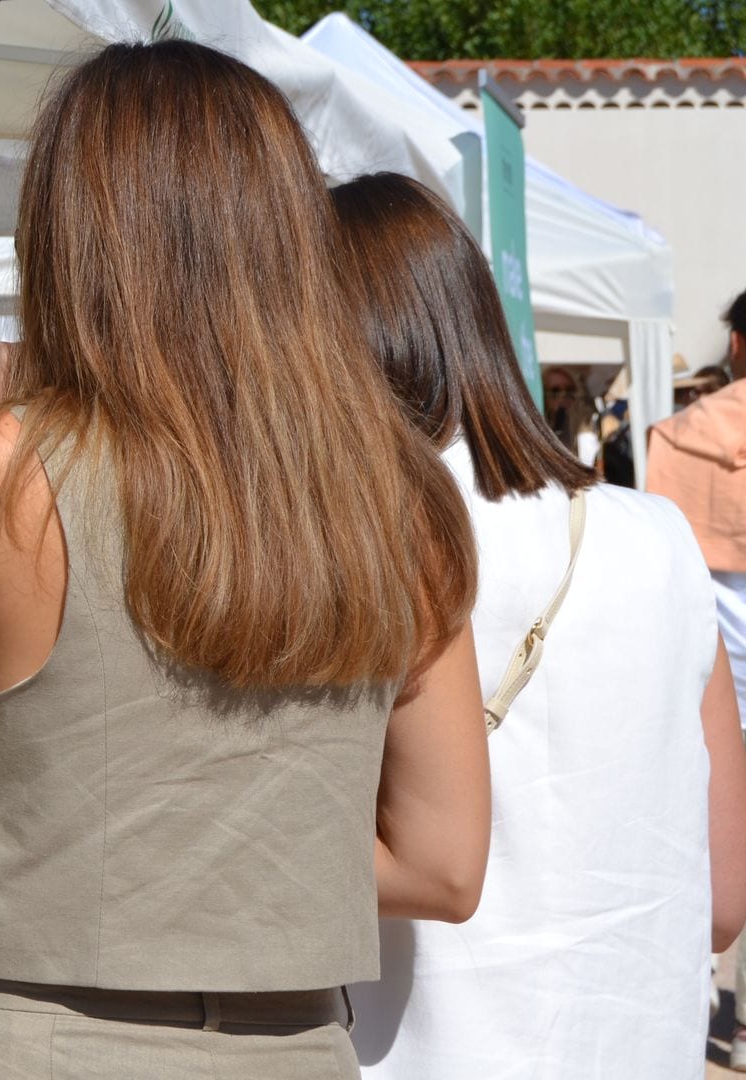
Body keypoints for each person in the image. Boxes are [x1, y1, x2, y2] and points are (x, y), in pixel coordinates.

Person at [0, 42, 490, 1079]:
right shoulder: (396, 490)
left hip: (40, 1036)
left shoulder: (2, 465)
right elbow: (446, 857)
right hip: (295, 1043)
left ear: (70, 235)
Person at [331, 173, 746, 1080]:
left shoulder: (355, 541)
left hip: (409, 1053)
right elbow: (723, 898)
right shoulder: (662, 539)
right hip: (639, 1050)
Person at [646, 287, 746, 1068]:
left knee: (723, 871)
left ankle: (721, 1014)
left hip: (717, 695)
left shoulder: (683, 436)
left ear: (738, 345)